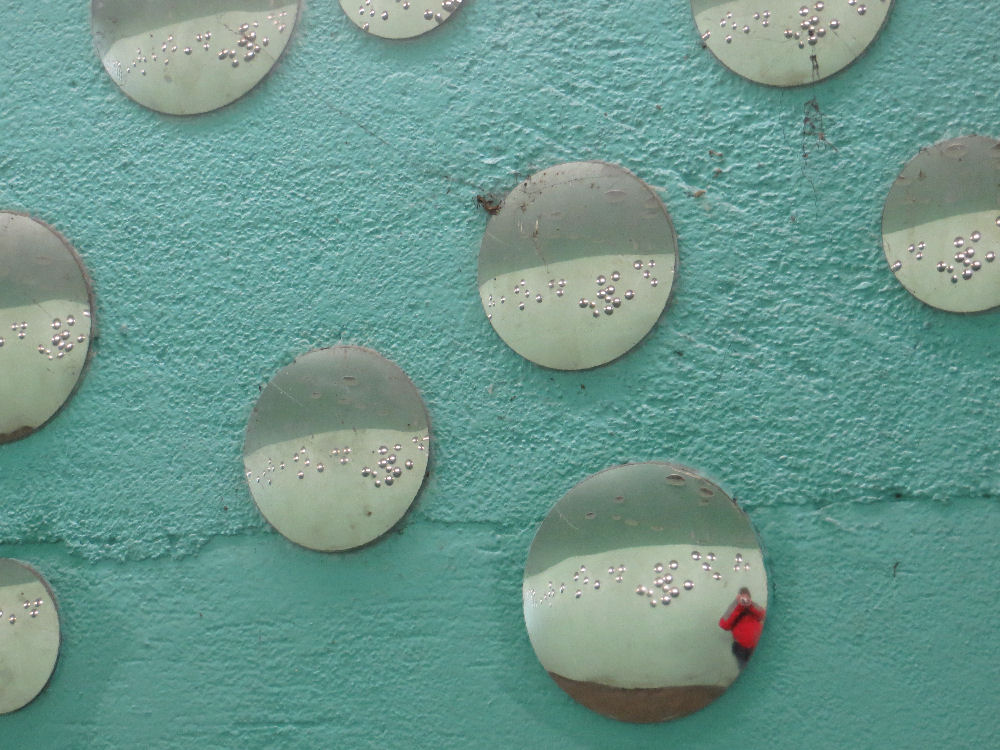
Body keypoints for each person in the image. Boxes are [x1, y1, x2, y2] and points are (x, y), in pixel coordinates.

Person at [718, 587, 765, 668]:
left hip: (757, 646)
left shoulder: (752, 605)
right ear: (738, 597)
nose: (744, 600)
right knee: (745, 671)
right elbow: (723, 625)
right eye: (742, 597)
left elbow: (763, 615)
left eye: (747, 597)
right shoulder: (734, 607)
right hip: (741, 649)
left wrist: (750, 605)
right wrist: (738, 606)